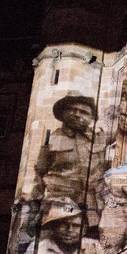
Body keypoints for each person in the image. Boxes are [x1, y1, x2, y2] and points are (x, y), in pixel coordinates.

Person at [33, 92, 107, 225]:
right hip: (61, 203)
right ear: (62, 113)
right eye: (72, 109)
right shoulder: (51, 139)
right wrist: (37, 203)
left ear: (91, 118)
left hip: (93, 205)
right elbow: (39, 173)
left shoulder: (101, 137)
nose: (77, 114)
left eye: (84, 112)